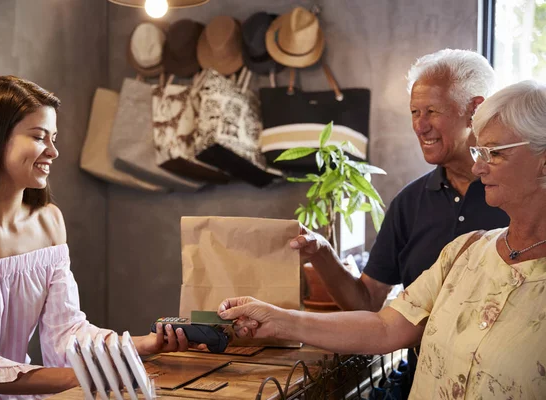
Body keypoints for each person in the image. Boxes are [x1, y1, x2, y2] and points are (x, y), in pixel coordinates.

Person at [219, 80, 546, 398]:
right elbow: (385, 327)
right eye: (479, 151)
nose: (478, 167)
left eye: (494, 154)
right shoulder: (465, 251)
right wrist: (277, 319)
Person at [0, 76, 191, 399]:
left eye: (54, 138)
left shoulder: (49, 222)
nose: (53, 151)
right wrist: (86, 375)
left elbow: (66, 330)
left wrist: (139, 345)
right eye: (39, 137)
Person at [288, 48, 510, 395]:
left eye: (432, 111)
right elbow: (367, 303)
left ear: (475, 110)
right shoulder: (409, 203)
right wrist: (323, 254)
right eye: (414, 112)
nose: (420, 125)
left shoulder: (518, 195)